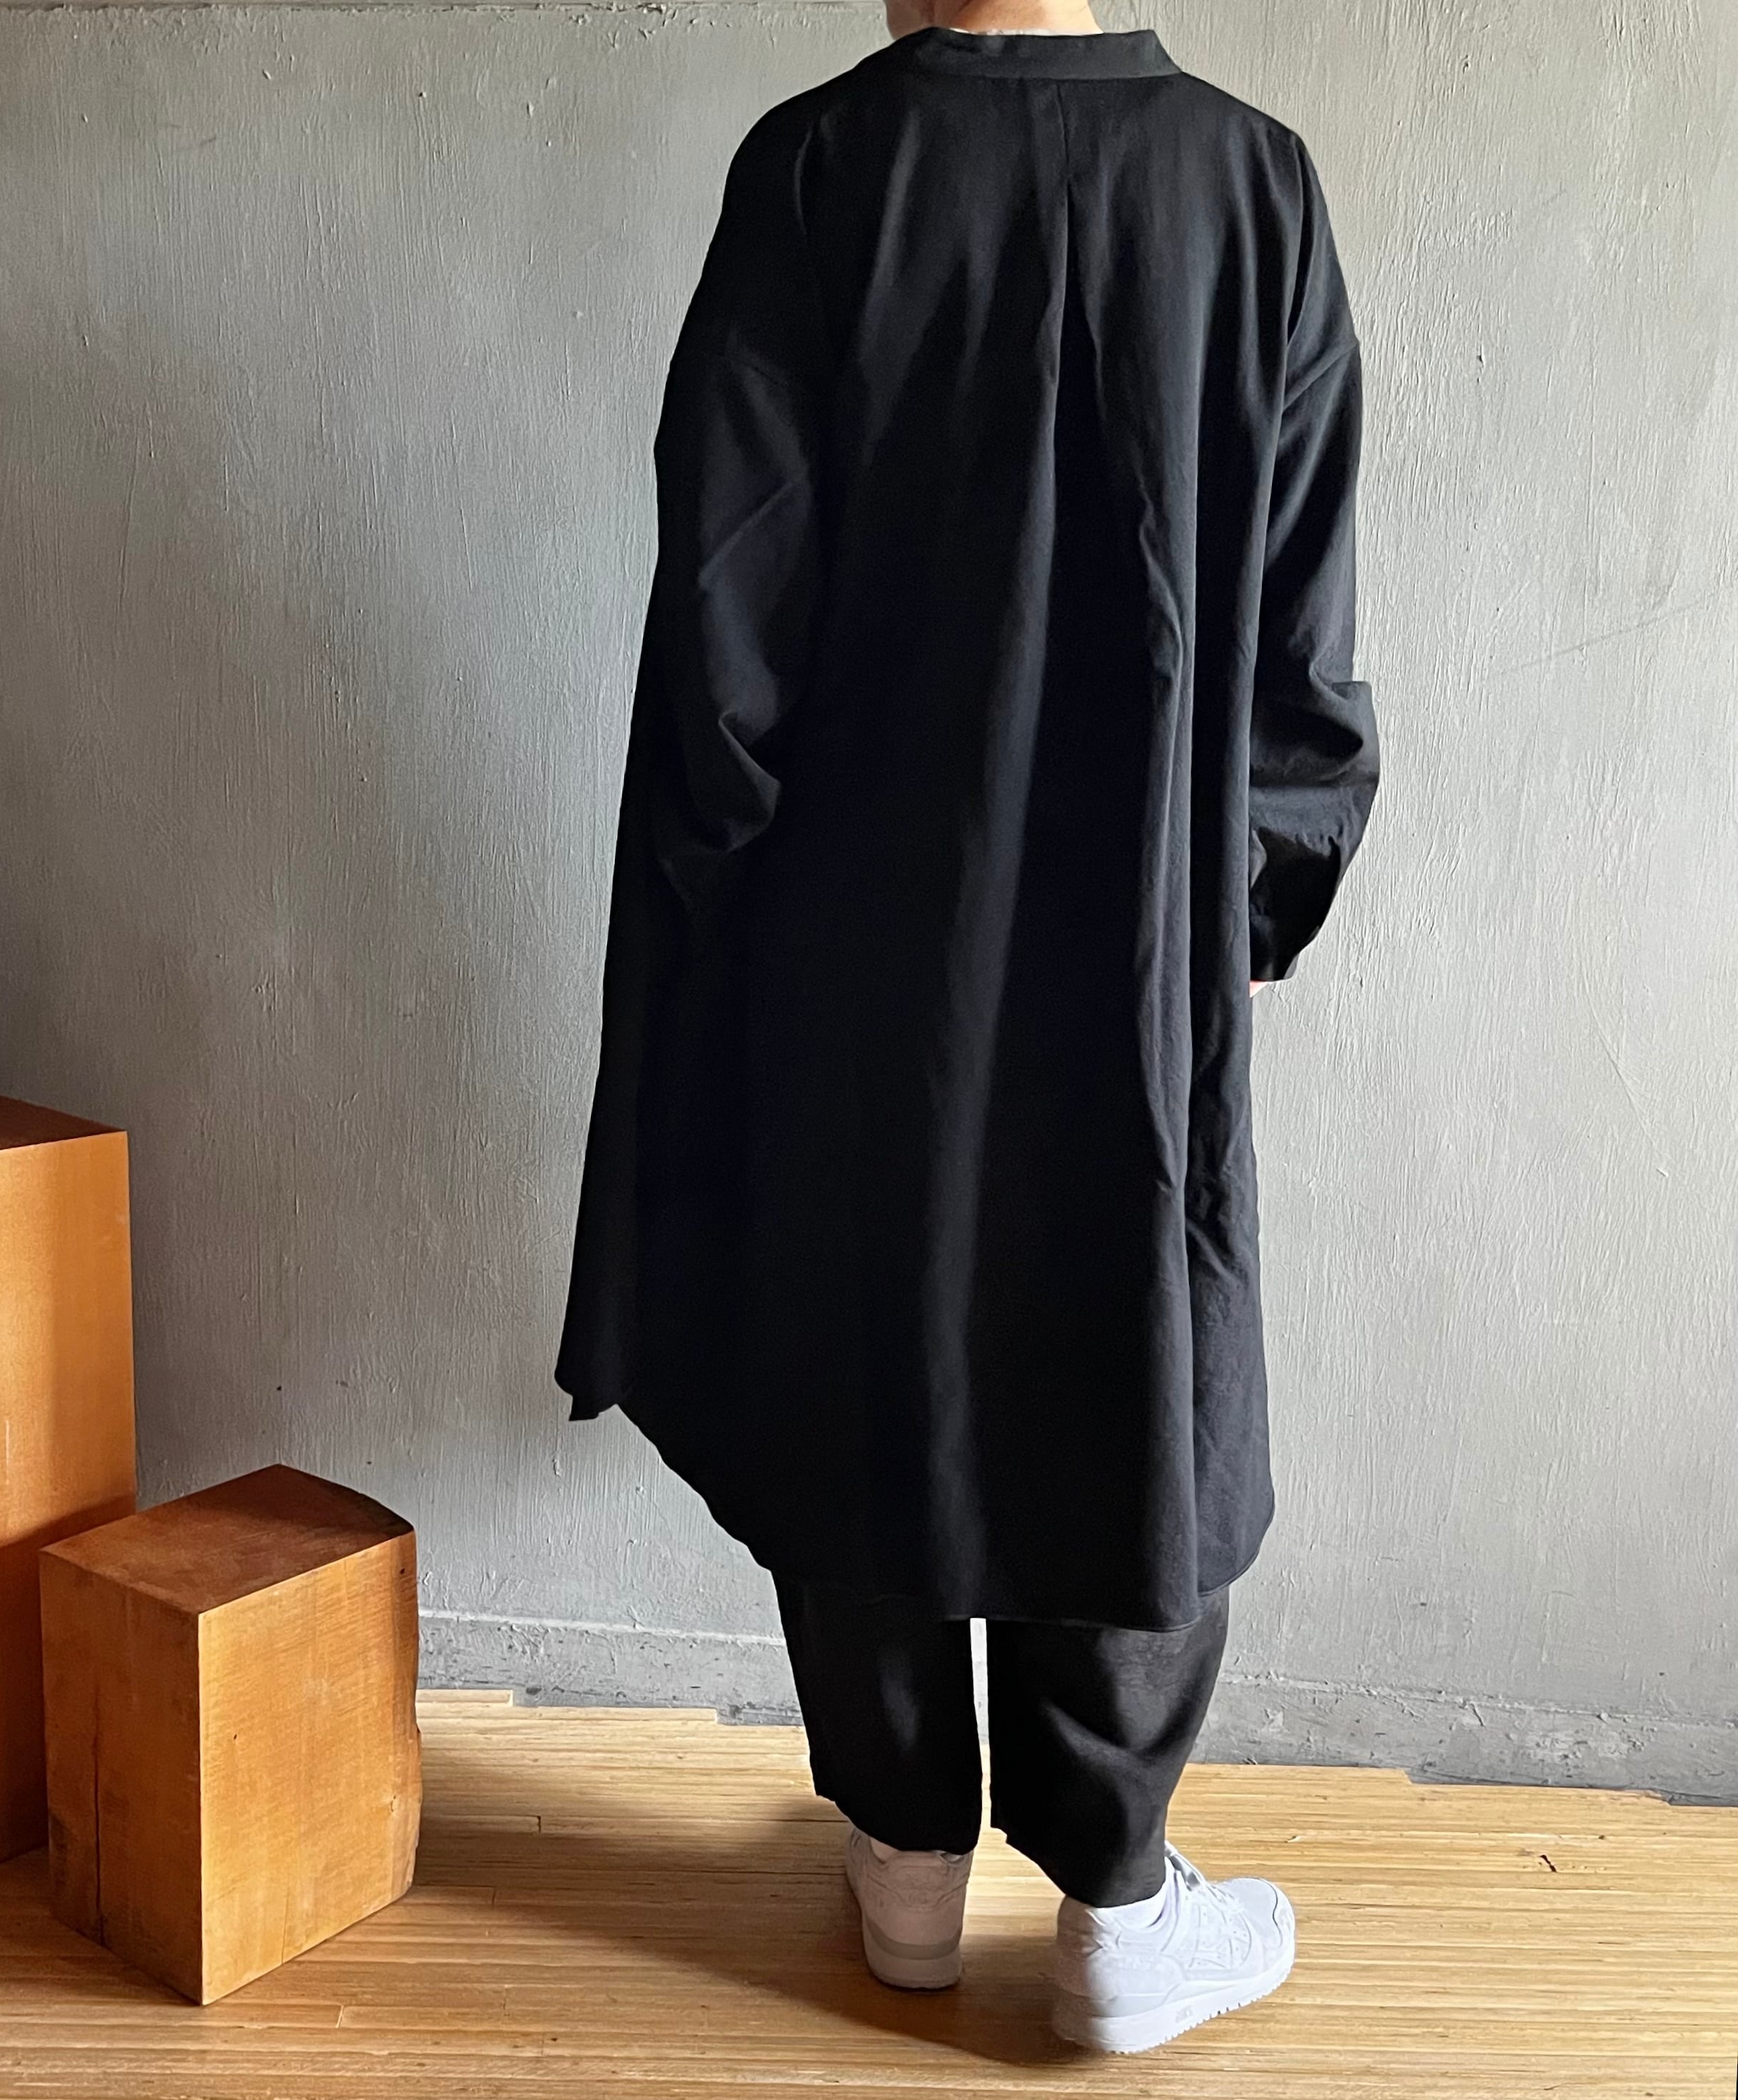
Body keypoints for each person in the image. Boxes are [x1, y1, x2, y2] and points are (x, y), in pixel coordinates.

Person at [556, 0, 1377, 2056]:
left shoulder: (822, 172)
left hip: (857, 942)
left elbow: (727, 603)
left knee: (870, 1322)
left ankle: (904, 1852)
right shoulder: (1252, 189)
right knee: (1130, 1327)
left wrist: (721, 891)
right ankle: (1115, 1897)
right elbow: (1304, 643)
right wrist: (1238, 912)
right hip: (1142, 946)